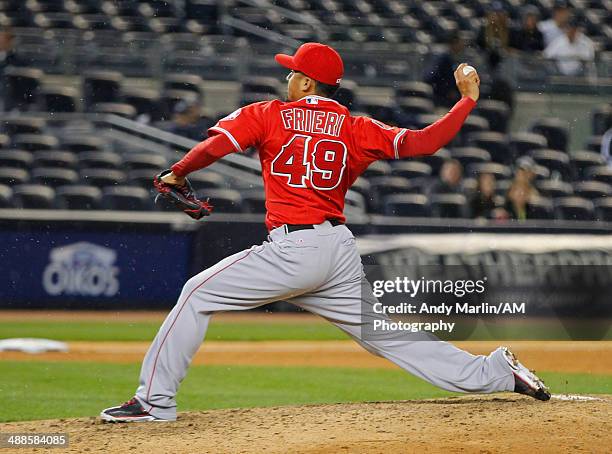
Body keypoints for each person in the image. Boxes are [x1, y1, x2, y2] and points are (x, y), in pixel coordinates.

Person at [100, 43, 550, 423]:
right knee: (387, 335)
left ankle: (153, 402)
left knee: (197, 292)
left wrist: (178, 173)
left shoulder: (270, 114)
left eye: (293, 72)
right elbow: (425, 142)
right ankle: (495, 373)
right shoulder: (357, 127)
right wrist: (466, 100)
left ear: (308, 83)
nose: (288, 78)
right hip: (337, 251)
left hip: (295, 249)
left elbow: (215, 146)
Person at [424, 31, 465, 107]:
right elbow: (433, 77)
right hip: (442, 99)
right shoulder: (444, 59)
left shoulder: (454, 59)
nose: (462, 45)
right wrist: (447, 91)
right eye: (459, 43)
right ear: (453, 44)